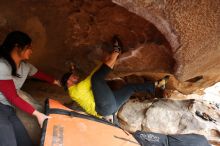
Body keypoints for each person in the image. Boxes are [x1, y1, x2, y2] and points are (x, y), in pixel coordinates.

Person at [61, 35, 169, 123]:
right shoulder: (75, 91)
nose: (76, 77)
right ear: (68, 81)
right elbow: (94, 78)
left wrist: (106, 63)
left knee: (130, 88)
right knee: (96, 79)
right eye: (73, 77)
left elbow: (97, 75)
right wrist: (107, 62)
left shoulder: (76, 90)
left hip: (111, 108)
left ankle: (156, 86)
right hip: (103, 108)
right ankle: (117, 51)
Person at [0, 31, 60, 146]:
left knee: (25, 142)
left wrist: (59, 82)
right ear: (17, 47)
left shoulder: (25, 67)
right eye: (28, 48)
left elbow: (41, 75)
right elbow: (13, 97)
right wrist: (38, 114)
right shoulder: (2, 66)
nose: (31, 51)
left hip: (9, 109)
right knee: (8, 142)